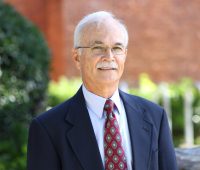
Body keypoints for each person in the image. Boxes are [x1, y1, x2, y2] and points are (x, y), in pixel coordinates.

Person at [27, 11, 178, 170]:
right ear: (77, 57)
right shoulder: (48, 128)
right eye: (98, 47)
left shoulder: (155, 116)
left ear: (125, 55)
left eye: (117, 48)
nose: (109, 56)